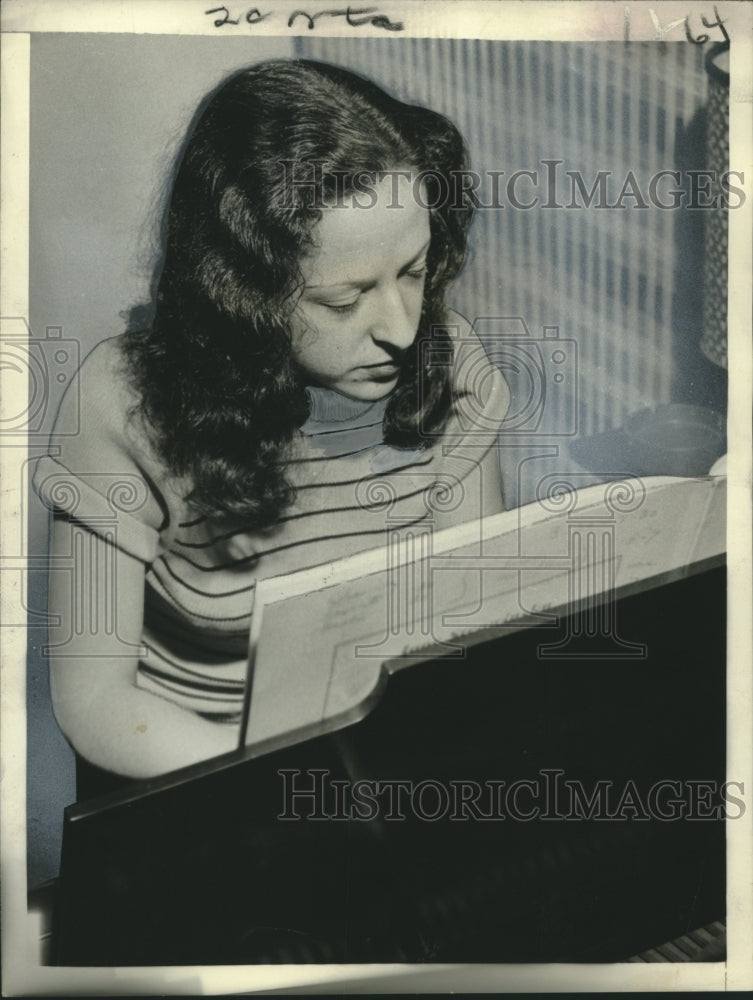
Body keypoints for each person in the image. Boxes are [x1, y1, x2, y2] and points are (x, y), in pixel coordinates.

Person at [34, 59, 510, 789]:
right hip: (187, 769)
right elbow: (96, 702)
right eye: (344, 300)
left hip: (377, 761)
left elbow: (467, 625)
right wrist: (285, 796)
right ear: (243, 293)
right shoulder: (118, 398)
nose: (404, 330)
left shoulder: (450, 359)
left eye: (412, 271)